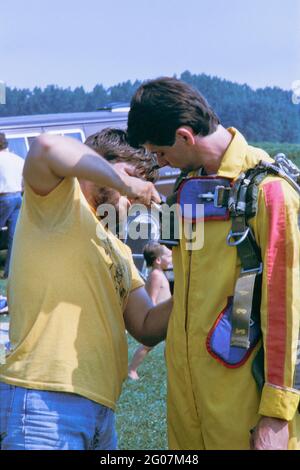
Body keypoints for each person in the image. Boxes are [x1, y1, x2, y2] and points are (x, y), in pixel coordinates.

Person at [127, 77, 300, 450]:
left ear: (185, 136)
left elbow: (286, 311)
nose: (160, 162)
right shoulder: (186, 187)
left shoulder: (269, 191)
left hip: (244, 403)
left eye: (160, 152)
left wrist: (276, 414)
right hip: (186, 404)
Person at [0, 129, 173, 450]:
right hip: (45, 399)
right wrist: (126, 183)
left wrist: (196, 281)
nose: (137, 197)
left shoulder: (119, 249)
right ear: (95, 162)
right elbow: (47, 146)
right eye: (133, 175)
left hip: (101, 410)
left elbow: (147, 326)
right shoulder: (57, 199)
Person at [128, 241, 172, 380]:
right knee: (147, 345)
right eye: (169, 256)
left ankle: (171, 368)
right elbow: (151, 298)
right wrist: (152, 320)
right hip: (158, 317)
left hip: (166, 317)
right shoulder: (156, 276)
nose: (172, 259)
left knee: (171, 343)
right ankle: (132, 370)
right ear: (158, 260)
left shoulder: (161, 273)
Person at [0, 132, 24, 278]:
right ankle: (9, 271)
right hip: (18, 198)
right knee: (13, 237)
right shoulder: (18, 159)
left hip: (3, 198)